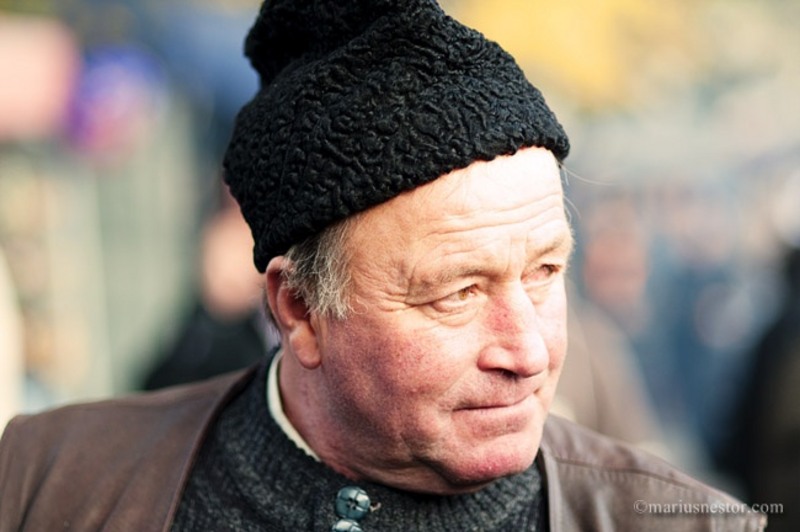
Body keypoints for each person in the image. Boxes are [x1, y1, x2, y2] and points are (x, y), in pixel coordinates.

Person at [0, 0, 766, 530]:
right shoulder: (45, 481)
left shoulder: (693, 525)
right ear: (299, 309)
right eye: (457, 292)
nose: (528, 351)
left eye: (543, 273)